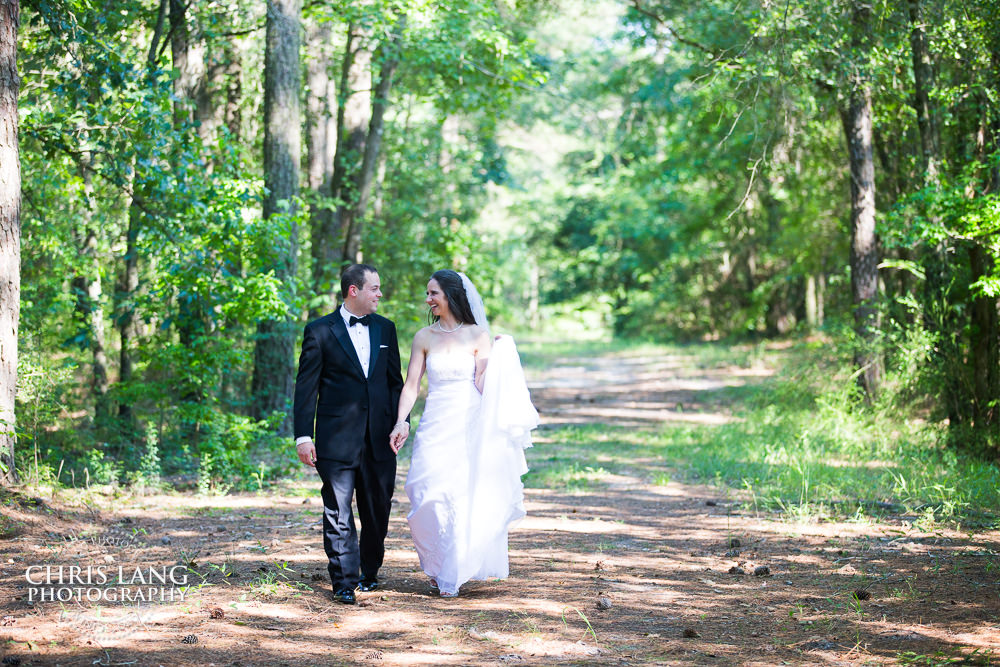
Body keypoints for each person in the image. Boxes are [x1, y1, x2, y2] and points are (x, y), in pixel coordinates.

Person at [389, 270, 538, 598]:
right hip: (435, 422)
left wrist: (501, 359)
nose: (428, 300)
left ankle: (452, 569)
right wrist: (402, 421)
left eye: (433, 294)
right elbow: (412, 385)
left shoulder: (477, 336)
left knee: (459, 493)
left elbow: (482, 382)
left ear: (451, 295)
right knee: (422, 490)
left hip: (468, 421)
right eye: (427, 294)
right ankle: (435, 561)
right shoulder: (423, 337)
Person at [292, 264, 404, 605]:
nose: (379, 294)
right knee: (337, 510)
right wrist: (302, 436)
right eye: (374, 288)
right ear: (353, 290)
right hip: (336, 437)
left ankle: (369, 571)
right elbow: (306, 388)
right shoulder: (319, 331)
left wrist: (404, 421)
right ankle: (343, 580)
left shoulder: (386, 329)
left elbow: (395, 383)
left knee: (377, 509)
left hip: (381, 437)